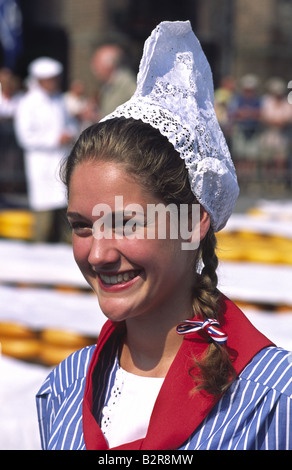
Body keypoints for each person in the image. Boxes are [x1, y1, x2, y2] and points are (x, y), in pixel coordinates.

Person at [36, 21, 292, 450]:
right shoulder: (61, 391)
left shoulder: (271, 401)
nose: (98, 253)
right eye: (82, 225)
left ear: (193, 222)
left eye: (127, 222)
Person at [14, 57, 78, 242]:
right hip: (41, 165)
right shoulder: (28, 103)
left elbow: (70, 124)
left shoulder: (59, 99)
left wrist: (69, 133)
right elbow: (25, 137)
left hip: (62, 161)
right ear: (41, 80)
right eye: (52, 79)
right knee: (43, 220)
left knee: (65, 213)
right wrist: (54, 139)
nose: (56, 82)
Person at [91, 43, 136, 118]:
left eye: (97, 63)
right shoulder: (108, 85)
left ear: (109, 65)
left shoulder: (128, 84)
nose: (94, 68)